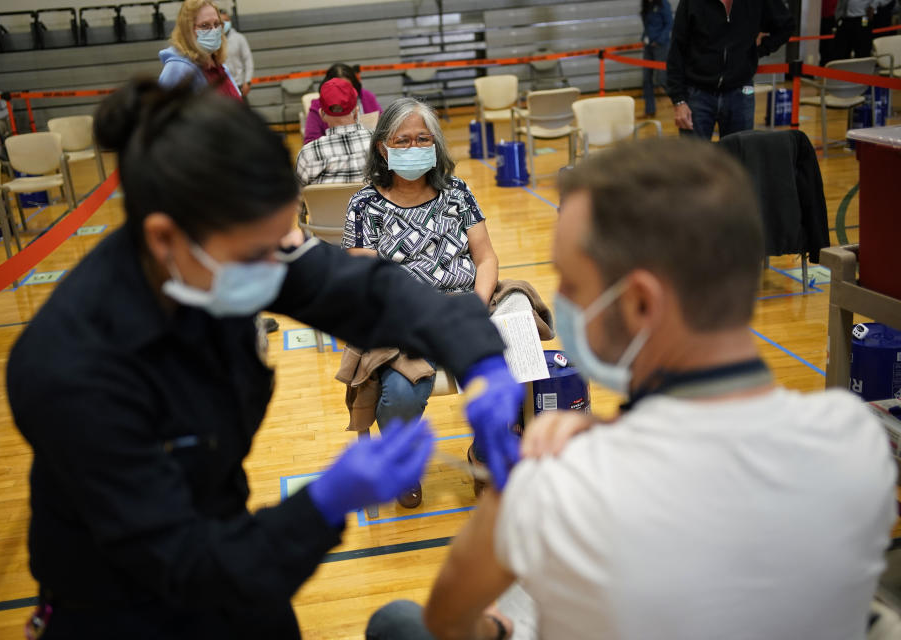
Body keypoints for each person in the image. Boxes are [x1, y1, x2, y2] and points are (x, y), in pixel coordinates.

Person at [6, 78, 523, 639]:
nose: (282, 265)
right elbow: (191, 569)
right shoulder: (70, 372)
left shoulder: (226, 251)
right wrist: (326, 501)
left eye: (287, 242)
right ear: (163, 239)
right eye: (263, 251)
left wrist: (481, 359)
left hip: (232, 545)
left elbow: (370, 288)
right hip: (128, 605)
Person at [366, 138, 896, 640]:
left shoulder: (559, 487)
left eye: (572, 285)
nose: (564, 304)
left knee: (396, 622)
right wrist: (612, 430)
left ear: (641, 303)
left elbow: (450, 625)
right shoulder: (858, 439)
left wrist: (511, 491)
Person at [340, 97, 501, 508]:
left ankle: (484, 457)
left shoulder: (457, 193)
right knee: (399, 396)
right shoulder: (364, 206)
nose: (414, 148)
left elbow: (485, 258)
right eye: (402, 140)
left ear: (436, 145)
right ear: (382, 147)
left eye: (422, 139)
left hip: (465, 308)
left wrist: (478, 305)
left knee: (511, 375)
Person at [667, 0, 794, 139]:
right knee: (694, 159)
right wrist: (678, 100)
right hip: (697, 95)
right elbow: (676, 49)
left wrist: (758, 51)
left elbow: (786, 26)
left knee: (737, 158)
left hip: (741, 93)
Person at [296, 77, 373, 187]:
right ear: (356, 112)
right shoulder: (380, 143)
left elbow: (299, 196)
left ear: (322, 114)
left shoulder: (308, 153)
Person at [158, 0, 240, 99]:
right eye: (205, 26)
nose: (214, 30)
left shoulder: (219, 66)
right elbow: (162, 111)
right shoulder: (179, 68)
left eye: (217, 24)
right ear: (188, 30)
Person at [304, 62, 382, 144]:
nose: (342, 95)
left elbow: (383, 123)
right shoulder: (318, 105)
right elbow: (310, 140)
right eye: (337, 89)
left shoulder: (366, 96)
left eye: (346, 89)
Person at [640, 0, 672, 118]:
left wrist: (659, 41)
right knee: (646, 79)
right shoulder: (646, 4)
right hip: (648, 47)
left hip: (661, 47)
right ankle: (650, 110)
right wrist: (644, 37)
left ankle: (682, 102)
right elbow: (647, 25)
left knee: (662, 78)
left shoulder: (663, 4)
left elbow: (669, 23)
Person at [219, 9, 253, 99]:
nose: (224, 23)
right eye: (222, 21)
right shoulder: (213, 41)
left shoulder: (239, 38)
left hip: (238, 84)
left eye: (226, 20)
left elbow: (248, 60)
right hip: (222, 87)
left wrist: (247, 81)